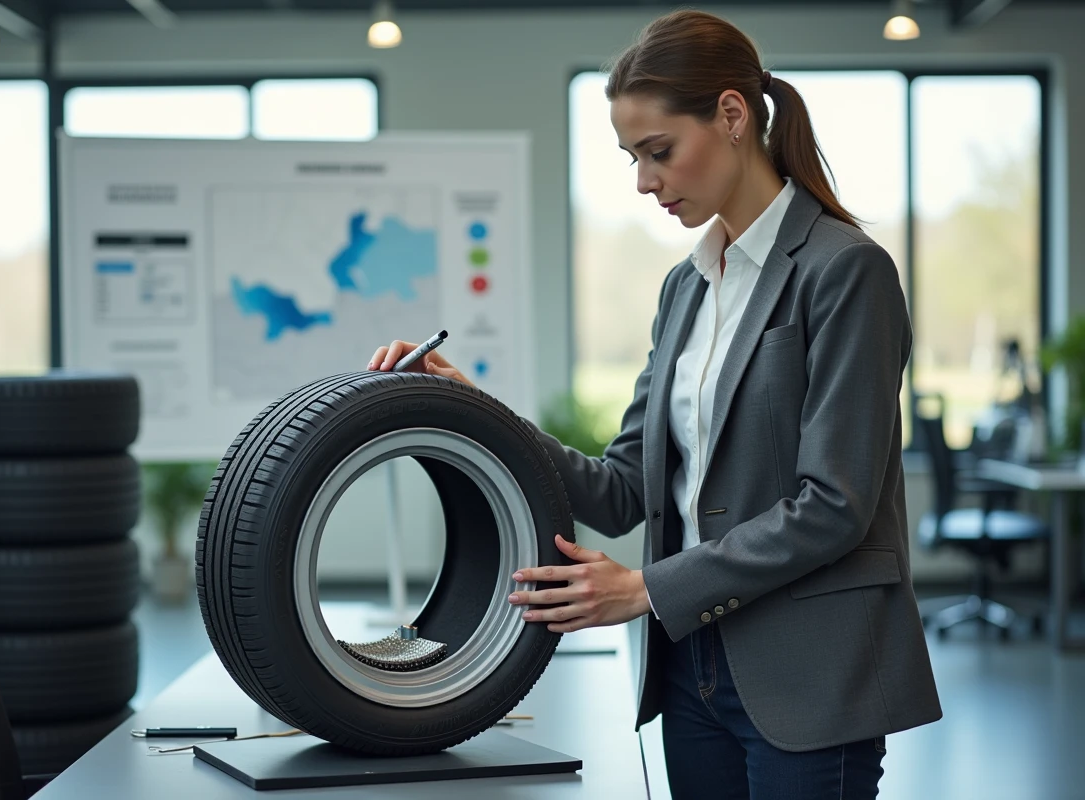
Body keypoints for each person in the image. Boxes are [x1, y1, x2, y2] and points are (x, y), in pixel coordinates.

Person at [368, 9, 941, 798]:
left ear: (733, 115)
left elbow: (835, 505)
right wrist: (473, 407)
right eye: (631, 157)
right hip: (690, 672)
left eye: (658, 151)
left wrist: (644, 590)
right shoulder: (685, 287)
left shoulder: (846, 272)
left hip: (811, 676)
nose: (643, 181)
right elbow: (624, 487)